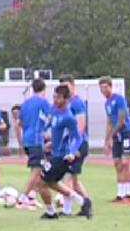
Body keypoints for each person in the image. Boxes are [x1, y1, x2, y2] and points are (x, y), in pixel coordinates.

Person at [37, 85, 93, 220]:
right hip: (55, 154)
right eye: (54, 97)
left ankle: (51, 212)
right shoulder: (55, 111)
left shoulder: (68, 117)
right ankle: (82, 201)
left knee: (41, 183)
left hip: (62, 157)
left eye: (58, 97)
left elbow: (77, 137)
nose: (55, 100)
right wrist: (50, 143)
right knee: (51, 183)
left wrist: (72, 152)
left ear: (66, 99)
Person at [99, 77, 130, 205]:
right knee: (117, 163)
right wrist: (106, 140)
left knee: (126, 162)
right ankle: (120, 195)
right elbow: (109, 121)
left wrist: (111, 136)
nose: (104, 90)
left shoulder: (119, 99)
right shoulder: (107, 103)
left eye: (106, 87)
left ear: (111, 87)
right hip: (117, 136)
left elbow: (121, 120)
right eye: (101, 88)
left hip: (127, 132)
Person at [18, 79, 52, 206]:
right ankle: (23, 197)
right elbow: (52, 116)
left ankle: (32, 195)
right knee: (37, 169)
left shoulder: (25, 103)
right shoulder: (43, 102)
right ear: (44, 89)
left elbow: (19, 123)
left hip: (27, 139)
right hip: (36, 139)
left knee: (37, 167)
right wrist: (47, 130)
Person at [59, 75, 90, 215]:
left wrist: (74, 147)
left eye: (67, 86)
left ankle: (67, 209)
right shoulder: (67, 103)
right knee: (75, 180)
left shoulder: (76, 103)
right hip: (71, 145)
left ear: (73, 86)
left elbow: (81, 125)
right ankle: (87, 205)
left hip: (78, 144)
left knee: (67, 176)